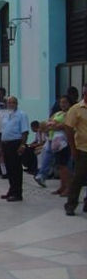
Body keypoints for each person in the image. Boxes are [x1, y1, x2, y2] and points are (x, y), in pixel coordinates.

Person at [0, 96, 30, 202]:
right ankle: (11, 190)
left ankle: (17, 193)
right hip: (6, 144)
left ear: (17, 104)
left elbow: (25, 131)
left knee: (16, 169)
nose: (11, 104)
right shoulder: (6, 115)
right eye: (9, 103)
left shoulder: (21, 115)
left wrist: (22, 145)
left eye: (13, 102)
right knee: (9, 169)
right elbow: (3, 130)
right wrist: (1, 146)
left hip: (15, 143)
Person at [64, 83, 87, 216]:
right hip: (82, 149)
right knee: (78, 177)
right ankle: (71, 204)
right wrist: (72, 148)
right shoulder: (76, 109)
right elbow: (68, 128)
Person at [46, 96, 72, 196]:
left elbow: (64, 126)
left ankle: (68, 188)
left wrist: (55, 125)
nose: (63, 104)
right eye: (61, 103)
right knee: (60, 166)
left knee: (65, 166)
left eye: (65, 102)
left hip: (65, 143)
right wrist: (54, 124)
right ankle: (62, 186)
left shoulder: (70, 114)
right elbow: (48, 124)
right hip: (55, 143)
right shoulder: (58, 113)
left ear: (69, 104)